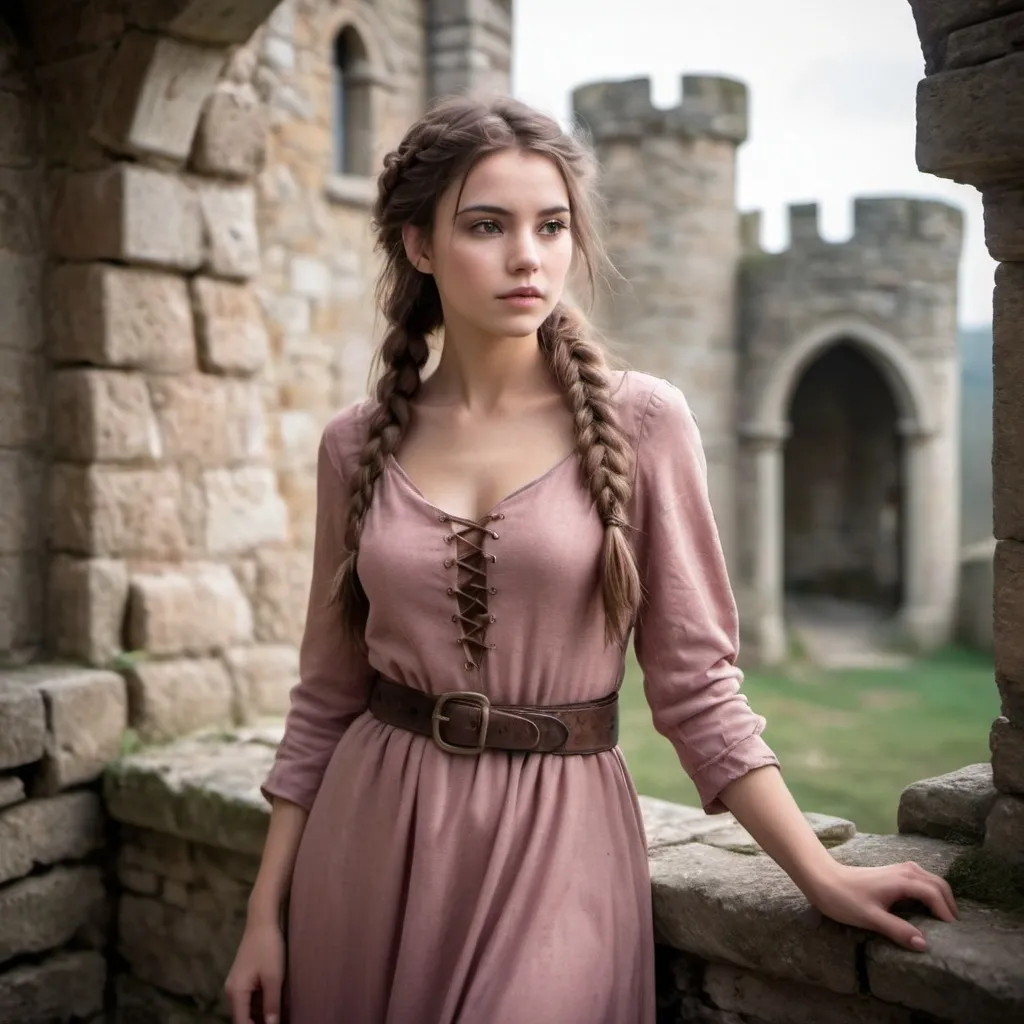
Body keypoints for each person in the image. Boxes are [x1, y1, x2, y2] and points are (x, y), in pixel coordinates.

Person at [224, 95, 958, 1024]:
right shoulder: (353, 443)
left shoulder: (645, 422)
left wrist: (821, 875)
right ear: (417, 245)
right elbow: (326, 694)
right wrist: (263, 915)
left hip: (559, 840)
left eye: (552, 225)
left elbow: (697, 687)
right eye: (486, 226)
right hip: (372, 835)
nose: (527, 256)